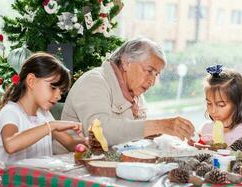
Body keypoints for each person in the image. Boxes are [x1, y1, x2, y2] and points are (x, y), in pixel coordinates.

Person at [61, 37, 195, 147]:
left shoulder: (136, 94)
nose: (152, 82)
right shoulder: (94, 81)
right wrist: (160, 125)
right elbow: (100, 133)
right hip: (68, 166)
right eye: (149, 71)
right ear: (126, 63)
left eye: (156, 74)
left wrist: (162, 132)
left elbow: (135, 135)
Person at [0, 52, 87, 170]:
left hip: (37, 184)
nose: (58, 96)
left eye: (61, 92)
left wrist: (87, 142)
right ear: (31, 81)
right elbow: (11, 144)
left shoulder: (44, 115)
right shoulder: (10, 112)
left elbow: (70, 144)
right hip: (11, 186)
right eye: (53, 88)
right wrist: (51, 126)